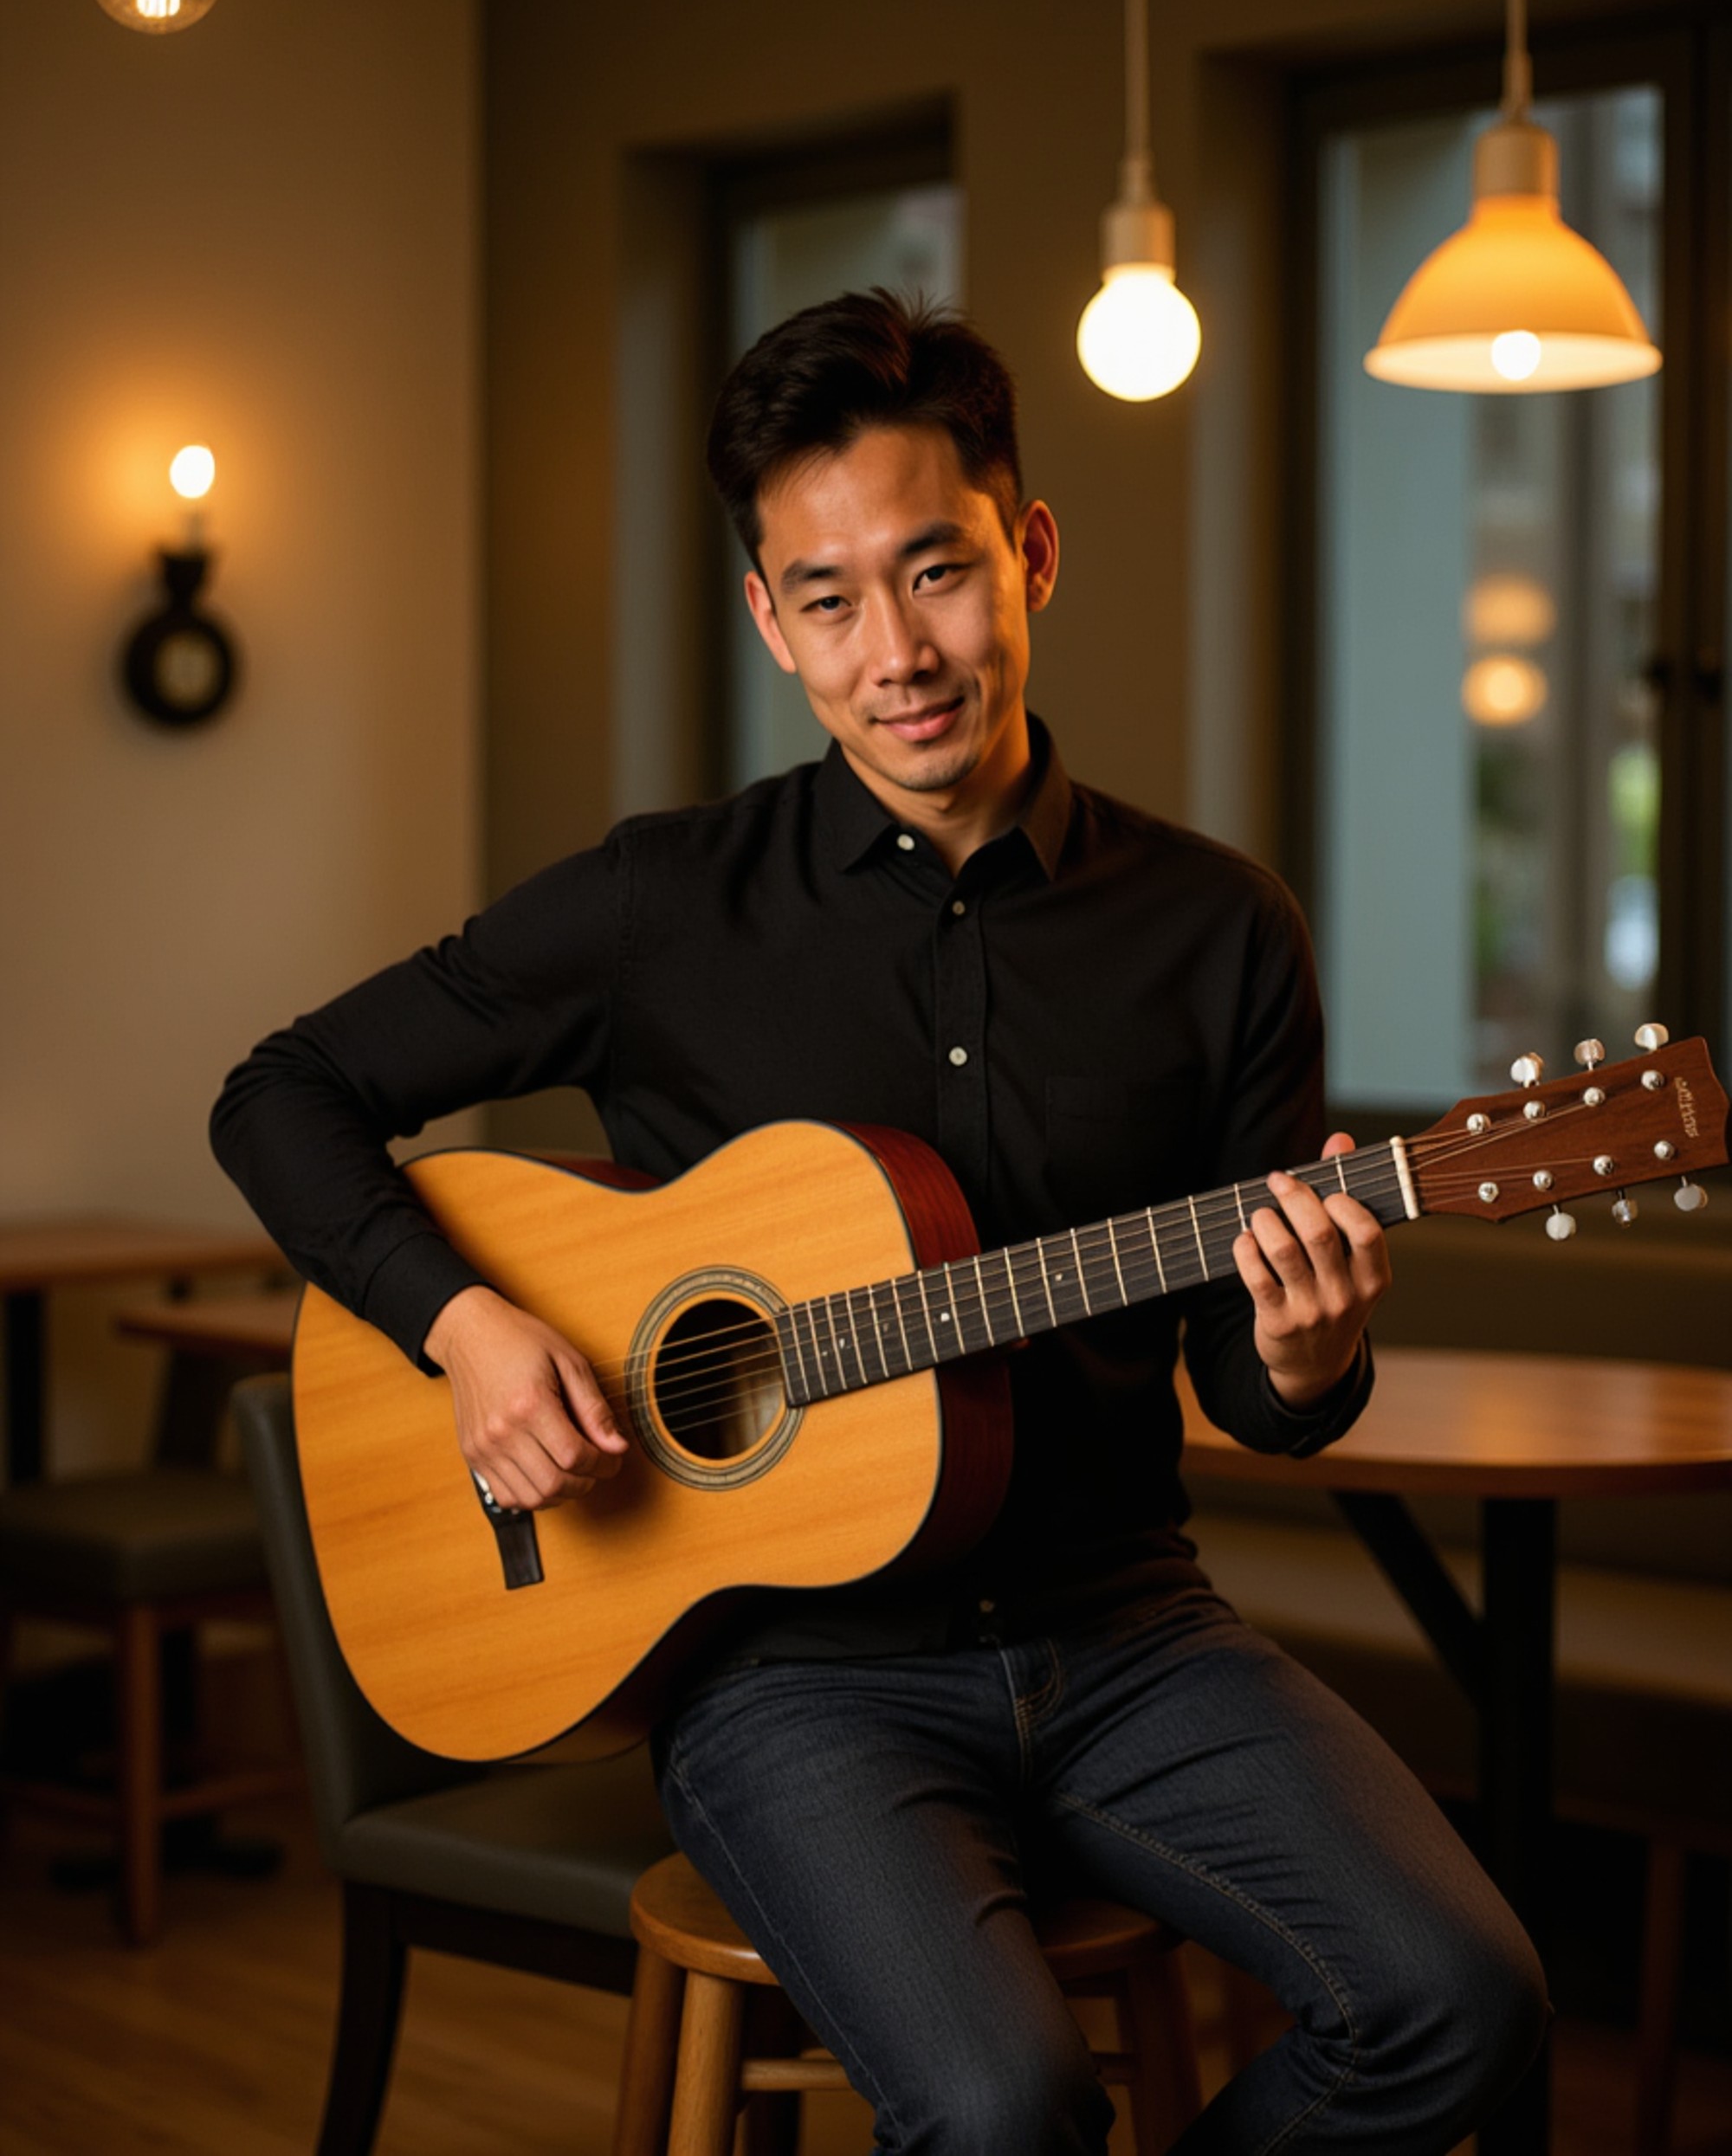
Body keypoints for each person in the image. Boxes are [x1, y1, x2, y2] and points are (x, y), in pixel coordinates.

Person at [213, 290, 1546, 2153]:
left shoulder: (1216, 926)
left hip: (1129, 1629)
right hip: (789, 1677)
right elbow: (278, 1091)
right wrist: (465, 1323)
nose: (894, 651)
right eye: (826, 598)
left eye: (936, 572)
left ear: (1031, 551)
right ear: (767, 617)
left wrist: (1310, 1347)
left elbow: (1251, 1391)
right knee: (999, 2108)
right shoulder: (659, 902)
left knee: (1462, 2000)